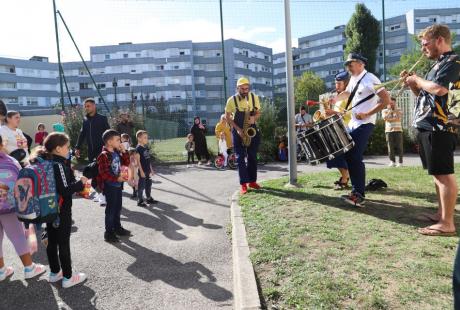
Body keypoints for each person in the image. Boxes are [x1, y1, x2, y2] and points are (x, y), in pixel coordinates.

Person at [402, 24, 460, 236]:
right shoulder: (437, 65)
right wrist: (412, 83)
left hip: (441, 126)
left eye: (425, 44)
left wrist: (418, 79)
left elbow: (440, 89)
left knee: (444, 174)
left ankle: (447, 223)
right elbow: (425, 97)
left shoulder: (453, 62)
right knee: (437, 173)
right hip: (428, 125)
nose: (422, 48)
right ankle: (441, 214)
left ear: (439, 40)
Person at [336, 53, 391, 207]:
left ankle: (358, 194)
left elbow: (385, 100)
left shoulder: (371, 79)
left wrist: (367, 113)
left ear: (361, 64)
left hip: (365, 123)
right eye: (347, 65)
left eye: (351, 64)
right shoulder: (354, 78)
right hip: (354, 123)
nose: (348, 68)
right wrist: (336, 98)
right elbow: (350, 93)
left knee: (353, 155)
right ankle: (356, 190)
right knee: (349, 155)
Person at [37, 132, 88, 288]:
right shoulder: (59, 165)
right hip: (61, 210)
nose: (69, 149)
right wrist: (81, 183)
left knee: (52, 241)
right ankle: (68, 277)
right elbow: (65, 190)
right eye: (67, 147)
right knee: (63, 243)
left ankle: (54, 272)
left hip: (48, 209)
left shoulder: (44, 162)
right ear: (58, 148)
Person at [0, 135, 46, 282]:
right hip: (10, 207)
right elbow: (22, 182)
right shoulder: (10, 161)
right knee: (18, 236)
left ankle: (1, 270)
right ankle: (29, 268)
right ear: (2, 144)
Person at [225, 77, 262, 194]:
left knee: (252, 156)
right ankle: (244, 184)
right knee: (240, 157)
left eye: (247, 88)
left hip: (251, 128)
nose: (245, 91)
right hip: (238, 130)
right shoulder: (231, 100)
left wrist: (254, 118)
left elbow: (258, 112)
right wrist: (238, 130)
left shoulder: (254, 97)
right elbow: (227, 117)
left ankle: (252, 181)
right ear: (237, 88)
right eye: (242, 89)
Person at [96, 130, 131, 243]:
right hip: (110, 186)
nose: (120, 142)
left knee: (118, 208)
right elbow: (104, 173)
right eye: (117, 140)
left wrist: (124, 151)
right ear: (109, 142)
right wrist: (116, 178)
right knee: (111, 210)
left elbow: (126, 163)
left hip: (117, 185)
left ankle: (117, 228)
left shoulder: (116, 152)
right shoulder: (104, 155)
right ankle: (109, 232)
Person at [75, 98, 110, 207]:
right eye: (85, 106)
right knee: (94, 173)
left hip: (102, 151)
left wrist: (110, 147)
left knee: (101, 173)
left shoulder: (102, 119)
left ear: (94, 106)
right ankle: (100, 194)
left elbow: (109, 134)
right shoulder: (85, 119)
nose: (86, 108)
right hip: (91, 151)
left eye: (88, 106)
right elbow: (82, 134)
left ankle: (103, 196)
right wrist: (77, 147)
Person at [325, 71, 352, 189]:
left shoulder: (349, 96)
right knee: (333, 156)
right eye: (335, 83)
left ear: (346, 83)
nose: (336, 85)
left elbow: (350, 114)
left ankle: (345, 178)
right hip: (337, 129)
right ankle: (345, 177)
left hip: (346, 129)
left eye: (339, 83)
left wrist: (334, 112)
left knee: (339, 156)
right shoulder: (338, 97)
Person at [135, 130, 157, 207]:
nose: (147, 139)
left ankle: (148, 198)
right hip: (142, 171)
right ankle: (140, 200)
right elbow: (138, 162)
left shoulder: (145, 148)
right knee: (141, 186)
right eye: (145, 138)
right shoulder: (138, 149)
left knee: (148, 184)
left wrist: (151, 169)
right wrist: (141, 171)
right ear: (139, 138)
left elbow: (148, 159)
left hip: (147, 170)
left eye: (147, 137)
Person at [382, 97, 403, 167]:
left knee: (399, 147)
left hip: (398, 130)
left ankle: (400, 162)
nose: (392, 105)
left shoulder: (399, 109)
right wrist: (390, 111)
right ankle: (392, 161)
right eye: (390, 103)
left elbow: (399, 117)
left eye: (393, 103)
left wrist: (395, 111)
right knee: (390, 147)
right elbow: (385, 118)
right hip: (388, 131)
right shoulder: (384, 111)